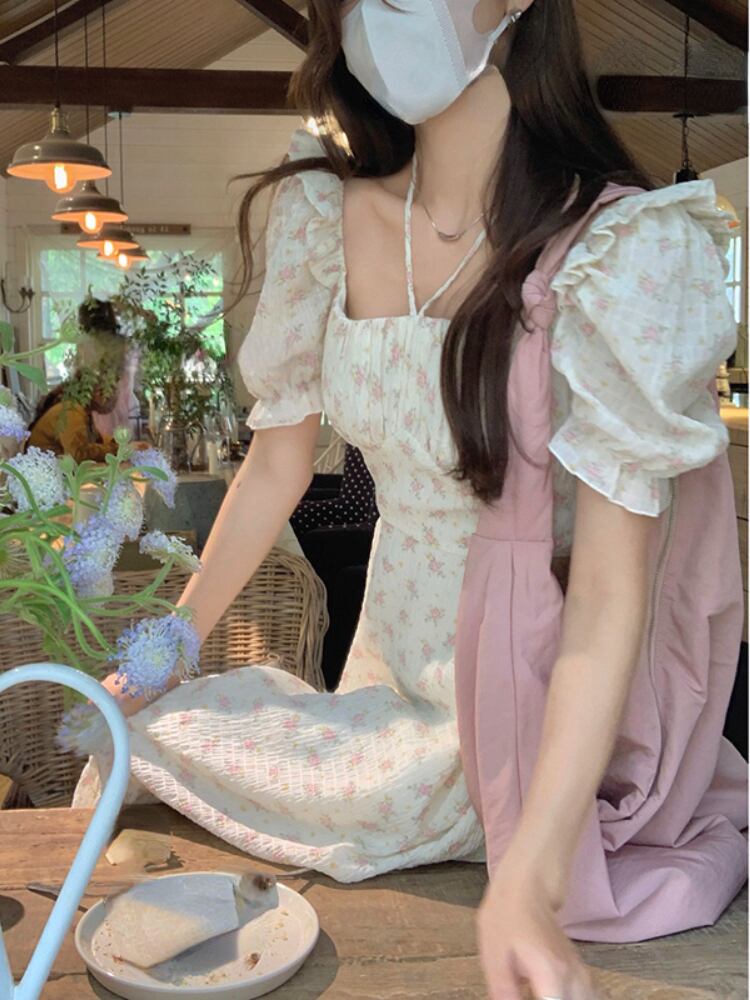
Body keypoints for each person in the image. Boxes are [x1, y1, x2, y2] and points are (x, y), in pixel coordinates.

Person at [75, 2, 747, 997]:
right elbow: (275, 466)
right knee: (133, 733)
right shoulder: (324, 218)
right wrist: (172, 645)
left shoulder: (619, 250)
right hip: (386, 672)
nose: (377, 18)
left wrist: (534, 871)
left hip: (531, 700)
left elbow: (613, 594)